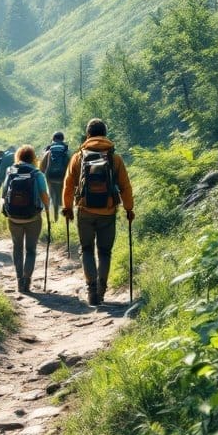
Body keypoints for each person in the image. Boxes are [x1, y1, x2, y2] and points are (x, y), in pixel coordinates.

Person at [62, 118, 134, 306]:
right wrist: (129, 209)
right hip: (107, 211)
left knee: (86, 249)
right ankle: (102, 289)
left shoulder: (78, 157)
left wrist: (68, 207)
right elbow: (125, 186)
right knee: (105, 251)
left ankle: (91, 289)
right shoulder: (114, 158)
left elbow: (68, 185)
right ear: (105, 134)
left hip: (85, 210)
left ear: (88, 135)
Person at [2, 145, 49, 293]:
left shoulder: (10, 171)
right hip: (33, 217)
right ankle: (27, 280)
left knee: (17, 248)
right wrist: (47, 209)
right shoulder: (37, 173)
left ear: (18, 156)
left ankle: (18, 280)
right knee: (31, 249)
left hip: (13, 217)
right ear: (33, 158)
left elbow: (4, 194)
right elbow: (44, 195)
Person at [39, 130, 69, 222]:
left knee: (53, 197)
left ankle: (54, 218)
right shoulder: (67, 150)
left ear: (53, 139)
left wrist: (46, 174)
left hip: (50, 177)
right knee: (61, 197)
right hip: (63, 177)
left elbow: (41, 168)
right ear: (63, 139)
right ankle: (63, 219)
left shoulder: (49, 151)